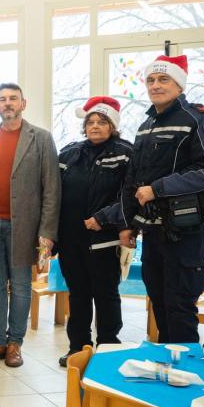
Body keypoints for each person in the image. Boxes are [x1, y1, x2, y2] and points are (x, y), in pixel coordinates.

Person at [119, 55, 204, 343]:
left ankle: (185, 368)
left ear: (179, 85)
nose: (155, 85)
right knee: (159, 301)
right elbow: (133, 180)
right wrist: (128, 224)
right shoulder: (146, 125)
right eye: (151, 80)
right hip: (153, 231)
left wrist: (158, 189)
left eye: (163, 79)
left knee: (180, 305)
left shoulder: (199, 118)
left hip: (185, 230)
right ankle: (168, 364)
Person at [0, 83, 60, 368]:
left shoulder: (41, 138)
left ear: (23, 103)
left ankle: (14, 344)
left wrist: (47, 232)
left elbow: (51, 189)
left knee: (20, 286)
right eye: (2, 99)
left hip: (25, 228)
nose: (7, 103)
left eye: (13, 99)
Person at [56, 96, 132, 367]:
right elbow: (52, 193)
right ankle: (78, 347)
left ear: (113, 125)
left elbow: (130, 195)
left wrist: (104, 217)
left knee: (106, 294)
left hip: (104, 239)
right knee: (78, 295)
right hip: (70, 239)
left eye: (102, 121)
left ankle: (108, 347)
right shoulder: (69, 153)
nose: (95, 126)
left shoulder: (126, 152)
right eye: (91, 122)